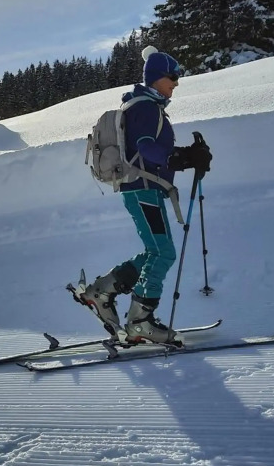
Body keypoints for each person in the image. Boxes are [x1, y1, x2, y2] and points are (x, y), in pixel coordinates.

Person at [76, 47, 211, 345]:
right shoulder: (145, 107)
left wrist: (187, 156)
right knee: (163, 253)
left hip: (142, 188)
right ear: (157, 77)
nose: (176, 83)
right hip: (143, 189)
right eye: (172, 77)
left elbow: (152, 150)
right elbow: (147, 147)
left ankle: (102, 291)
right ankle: (139, 322)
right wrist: (182, 157)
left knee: (155, 252)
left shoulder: (144, 106)